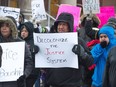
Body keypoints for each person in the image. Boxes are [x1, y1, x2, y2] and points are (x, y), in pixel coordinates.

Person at [41, 12, 94, 87]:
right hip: (52, 83)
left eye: (64, 24)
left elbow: (90, 62)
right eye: (59, 24)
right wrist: (38, 52)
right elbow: (43, 65)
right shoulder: (50, 41)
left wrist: (82, 54)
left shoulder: (77, 41)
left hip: (71, 84)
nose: (61, 27)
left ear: (69, 26)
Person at [0, 16, 33, 87]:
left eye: (7, 26)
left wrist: (24, 75)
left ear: (12, 27)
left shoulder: (21, 43)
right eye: (2, 26)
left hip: (16, 83)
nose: (4, 28)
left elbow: (29, 62)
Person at [19, 21, 40, 87]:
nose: (23, 33)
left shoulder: (34, 42)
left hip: (31, 74)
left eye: (25, 31)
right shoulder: (17, 41)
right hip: (19, 72)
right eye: (22, 31)